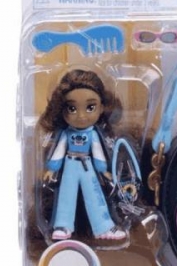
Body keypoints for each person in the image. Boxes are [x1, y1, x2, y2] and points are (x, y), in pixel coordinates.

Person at [39, 69, 126, 241]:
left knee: (95, 194)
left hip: (87, 166)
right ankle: (62, 225)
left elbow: (98, 152)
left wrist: (103, 170)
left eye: (90, 107)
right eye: (72, 108)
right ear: (61, 109)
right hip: (69, 165)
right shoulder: (66, 134)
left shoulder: (93, 134)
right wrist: (52, 168)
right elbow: (59, 150)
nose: (81, 115)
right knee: (66, 194)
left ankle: (104, 227)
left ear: (102, 107)